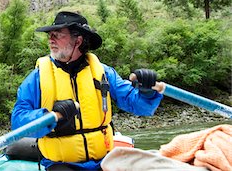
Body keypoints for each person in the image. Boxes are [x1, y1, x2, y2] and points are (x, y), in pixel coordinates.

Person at [11, 11, 164, 170]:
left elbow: (142, 107)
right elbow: (18, 122)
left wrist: (147, 92)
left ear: (78, 40)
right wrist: (49, 116)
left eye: (57, 35)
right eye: (50, 35)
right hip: (61, 164)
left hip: (102, 160)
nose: (51, 39)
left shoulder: (103, 73)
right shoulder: (37, 78)